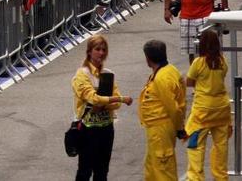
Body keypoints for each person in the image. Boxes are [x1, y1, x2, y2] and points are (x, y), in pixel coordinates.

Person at [71, 35, 132, 181]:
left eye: (104, 50)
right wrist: (120, 99)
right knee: (85, 171)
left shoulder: (108, 74)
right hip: (87, 128)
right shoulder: (82, 74)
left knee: (102, 171)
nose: (101, 53)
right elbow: (93, 98)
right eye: (97, 49)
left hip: (106, 128)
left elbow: (111, 104)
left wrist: (104, 104)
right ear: (89, 52)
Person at [185, 29, 231, 181]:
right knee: (221, 147)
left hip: (202, 111)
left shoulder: (199, 63)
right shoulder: (222, 61)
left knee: (195, 146)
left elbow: (189, 82)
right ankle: (221, 177)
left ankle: (196, 178)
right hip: (222, 109)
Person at [138, 39, 186, 181]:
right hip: (157, 130)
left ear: (148, 58)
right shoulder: (171, 70)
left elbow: (173, 107)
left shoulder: (161, 78)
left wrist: (179, 128)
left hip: (160, 129)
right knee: (152, 167)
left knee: (163, 170)